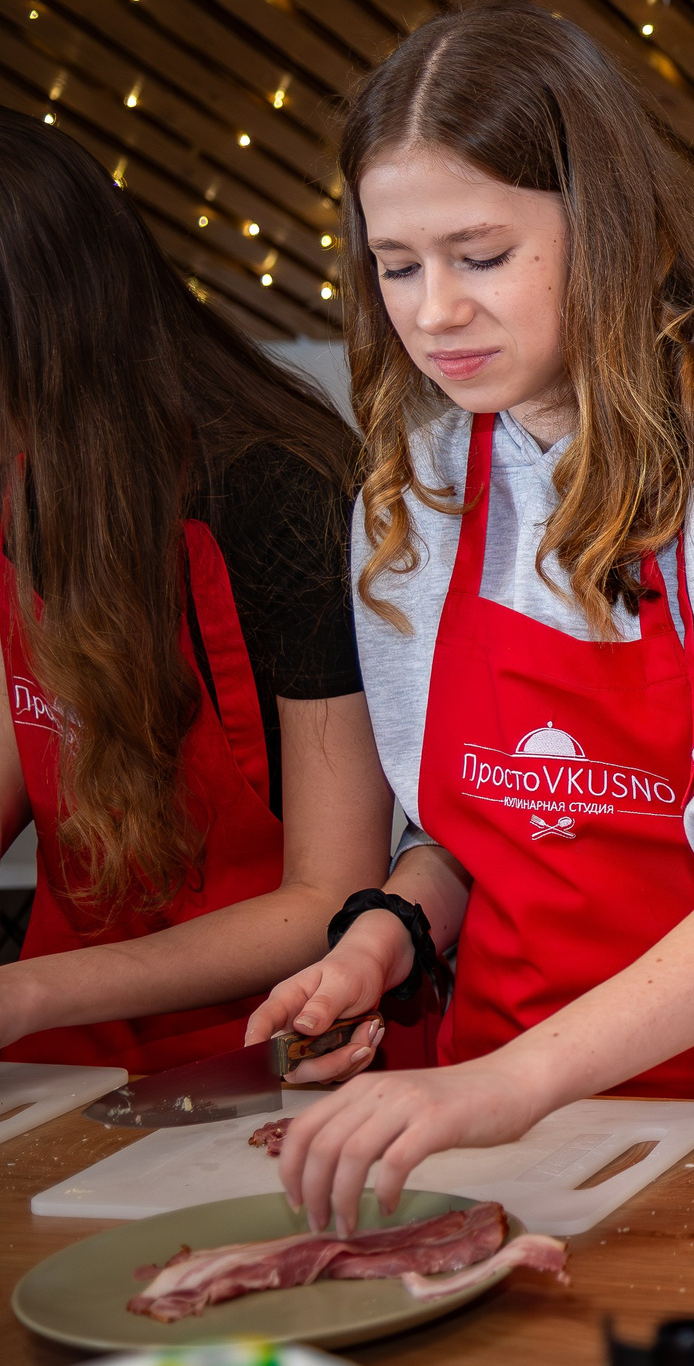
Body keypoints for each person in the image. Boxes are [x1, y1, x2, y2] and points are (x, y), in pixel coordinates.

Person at [252, 3, 694, 1231]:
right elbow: (468, 827)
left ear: (606, 226)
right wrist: (389, 931)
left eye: (480, 254)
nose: (432, 312)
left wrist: (515, 1081)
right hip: (496, 1143)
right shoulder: (425, 477)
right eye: (397, 262)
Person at [0, 112, 392, 1074]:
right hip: (54, 1052)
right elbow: (24, 740)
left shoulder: (278, 497)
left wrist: (28, 989)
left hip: (259, 1052)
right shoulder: (20, 479)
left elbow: (328, 891)